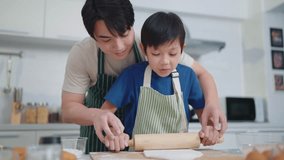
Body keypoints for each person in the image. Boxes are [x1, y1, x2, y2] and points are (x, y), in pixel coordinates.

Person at [61, 0, 227, 153]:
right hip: (105, 140)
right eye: (106, 39)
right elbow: (69, 110)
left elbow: (203, 74)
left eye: (124, 34)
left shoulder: (155, 44)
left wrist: (212, 105)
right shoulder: (84, 54)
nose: (118, 46)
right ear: (93, 36)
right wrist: (97, 115)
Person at [101, 11, 221, 152]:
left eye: (172, 54)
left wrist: (209, 131)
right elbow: (104, 114)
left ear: (182, 49)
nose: (165, 62)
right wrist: (116, 135)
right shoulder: (131, 76)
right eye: (156, 54)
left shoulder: (188, 76)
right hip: (139, 156)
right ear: (143, 49)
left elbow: (204, 116)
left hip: (179, 155)